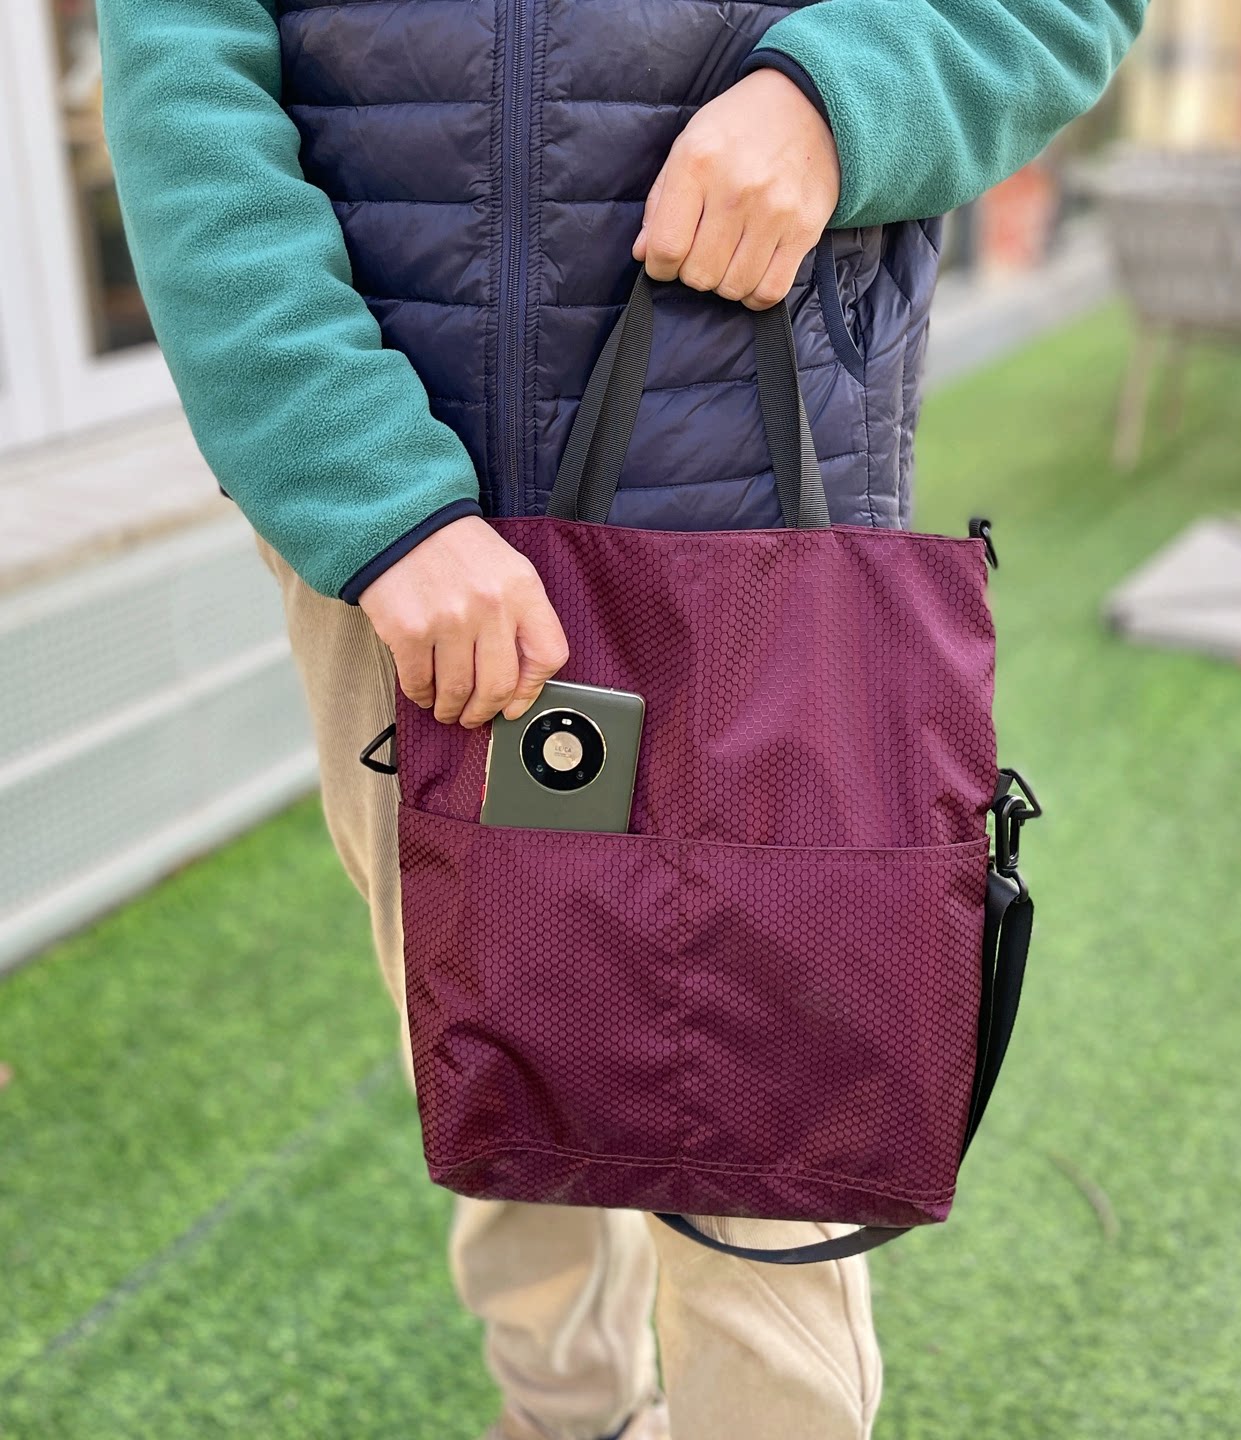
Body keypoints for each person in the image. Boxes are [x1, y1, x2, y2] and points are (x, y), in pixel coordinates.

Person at [97, 1, 1144, 1436]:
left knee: (767, 1144)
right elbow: (188, 101)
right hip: (408, 534)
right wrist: (371, 497)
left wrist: (842, 99)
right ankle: (564, 1413)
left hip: (759, 489)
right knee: (493, 1042)